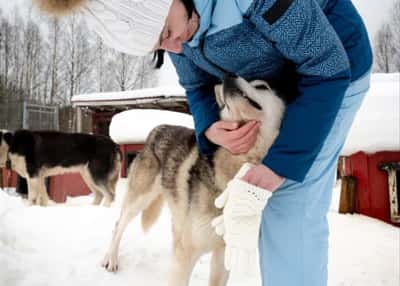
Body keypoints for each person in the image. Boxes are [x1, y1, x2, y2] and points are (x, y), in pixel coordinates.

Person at [34, 0, 373, 285]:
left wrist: (281, 165)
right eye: (159, 46)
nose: (175, 48)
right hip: (270, 83)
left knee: (289, 203)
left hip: (332, 70)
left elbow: (327, 67)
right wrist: (209, 125)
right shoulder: (175, 22)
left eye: (167, 33)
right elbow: (196, 86)